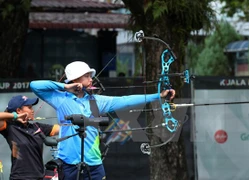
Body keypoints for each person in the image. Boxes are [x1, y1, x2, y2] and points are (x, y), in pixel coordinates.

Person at [30, 61, 176, 180]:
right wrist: (65, 86)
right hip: (69, 164)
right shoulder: (61, 99)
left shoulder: (98, 101)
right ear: (75, 80)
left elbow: (126, 101)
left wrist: (158, 95)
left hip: (94, 164)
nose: (91, 79)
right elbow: (35, 85)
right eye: (86, 76)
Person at [0, 95, 60, 180]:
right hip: (19, 177)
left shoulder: (37, 127)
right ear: (18, 110)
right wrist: (15, 116)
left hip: (39, 177)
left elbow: (63, 129)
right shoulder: (10, 127)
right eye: (29, 107)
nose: (32, 110)